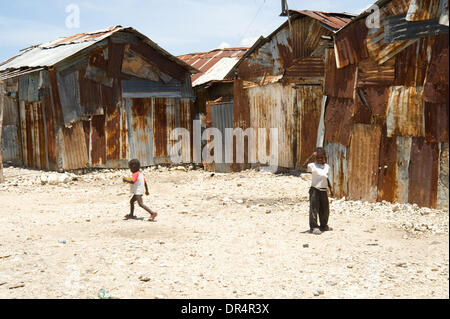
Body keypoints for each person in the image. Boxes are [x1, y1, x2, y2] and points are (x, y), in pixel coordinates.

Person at [302, 147, 334, 235]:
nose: (320, 159)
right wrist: (311, 156)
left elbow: (326, 178)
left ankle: (324, 225)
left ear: (324, 157)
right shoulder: (312, 165)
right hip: (315, 190)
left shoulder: (327, 167)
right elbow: (303, 166)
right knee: (314, 209)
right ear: (315, 158)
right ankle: (314, 227)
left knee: (325, 209)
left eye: (321, 157)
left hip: (323, 190)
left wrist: (330, 188)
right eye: (318, 157)